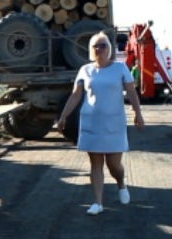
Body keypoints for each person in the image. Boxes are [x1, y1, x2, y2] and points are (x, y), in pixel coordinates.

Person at [56, 31, 145, 215]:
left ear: (109, 48)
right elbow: (76, 95)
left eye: (103, 45)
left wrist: (138, 113)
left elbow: (131, 92)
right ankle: (97, 203)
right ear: (91, 49)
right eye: (95, 46)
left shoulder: (120, 68)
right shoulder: (85, 70)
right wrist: (63, 116)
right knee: (95, 164)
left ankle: (121, 183)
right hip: (91, 123)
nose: (99, 49)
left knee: (114, 164)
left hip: (114, 123)